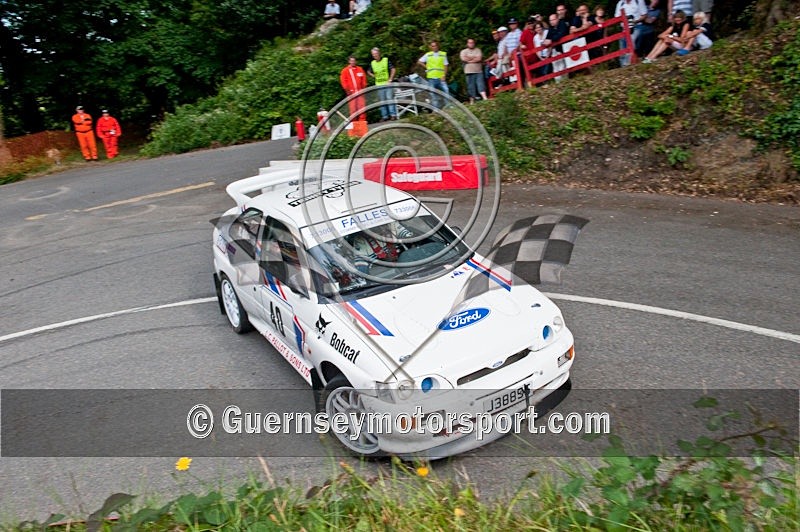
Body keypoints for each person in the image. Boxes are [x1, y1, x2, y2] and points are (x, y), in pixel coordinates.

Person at [367, 47, 397, 121]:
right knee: (382, 101)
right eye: (373, 54)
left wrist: (390, 79)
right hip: (379, 84)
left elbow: (393, 69)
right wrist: (373, 76)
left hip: (387, 83)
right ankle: (385, 116)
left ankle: (393, 115)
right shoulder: (372, 63)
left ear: (379, 53)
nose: (375, 56)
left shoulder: (385, 60)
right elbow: (368, 71)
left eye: (376, 54)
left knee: (389, 99)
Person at [615, 0, 648, 66]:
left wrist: (635, 21)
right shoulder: (620, 3)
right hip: (624, 28)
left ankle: (628, 63)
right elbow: (617, 17)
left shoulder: (638, 1)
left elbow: (644, 15)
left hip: (637, 26)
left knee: (631, 43)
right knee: (622, 47)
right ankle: (623, 66)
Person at [418, 41, 449, 109]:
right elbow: (419, 61)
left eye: (435, 46)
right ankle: (436, 110)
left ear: (438, 46)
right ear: (430, 47)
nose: (434, 47)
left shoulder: (443, 54)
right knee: (433, 94)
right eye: (432, 46)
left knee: (446, 91)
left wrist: (444, 75)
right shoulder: (428, 54)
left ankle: (448, 107)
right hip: (431, 77)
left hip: (441, 77)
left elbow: (445, 65)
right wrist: (426, 67)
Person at [340, 56, 368, 121]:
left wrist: (363, 88)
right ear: (349, 61)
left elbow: (364, 79)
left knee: (362, 108)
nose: (353, 62)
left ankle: (362, 122)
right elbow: (343, 81)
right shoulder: (345, 71)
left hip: (360, 92)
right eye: (351, 61)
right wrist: (347, 90)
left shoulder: (360, 69)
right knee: (353, 109)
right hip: (351, 92)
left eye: (354, 61)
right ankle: (354, 123)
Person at [460, 38, 488, 103]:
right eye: (470, 43)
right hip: (468, 71)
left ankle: (485, 98)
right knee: (470, 86)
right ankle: (472, 101)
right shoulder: (463, 51)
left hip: (478, 70)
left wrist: (469, 59)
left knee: (481, 84)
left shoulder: (478, 50)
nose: (471, 44)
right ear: (467, 44)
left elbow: (479, 58)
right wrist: (474, 58)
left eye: (472, 42)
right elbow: (463, 58)